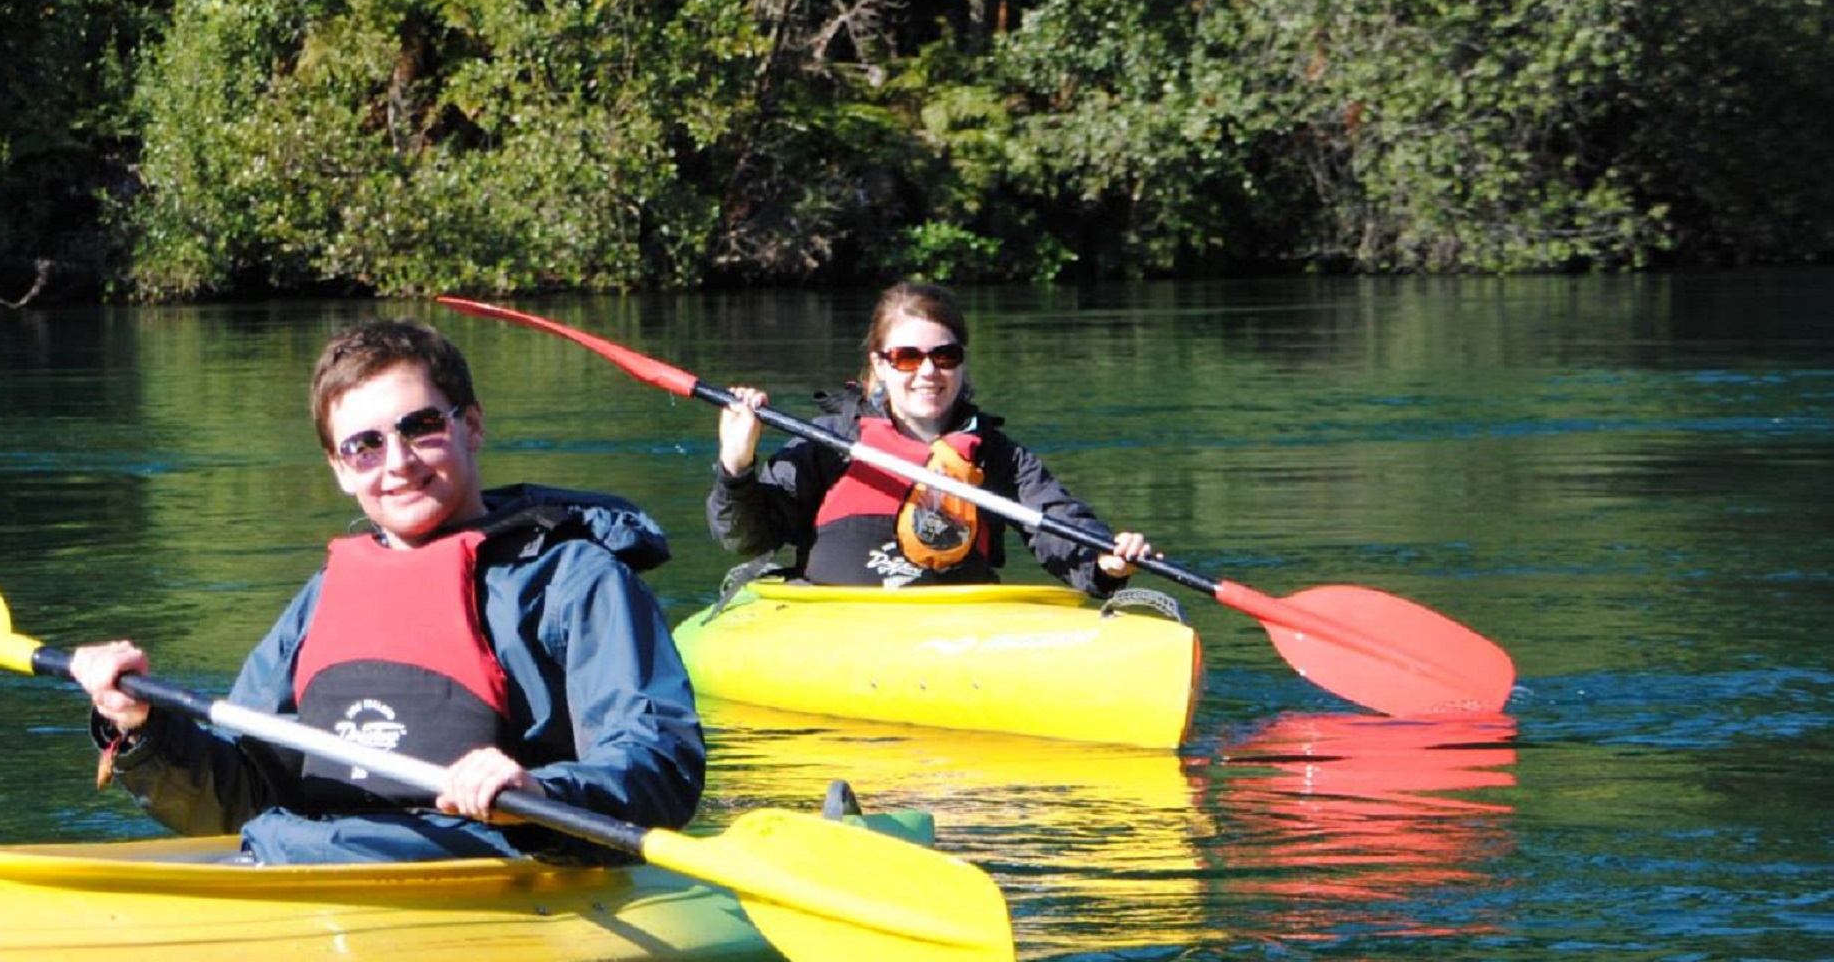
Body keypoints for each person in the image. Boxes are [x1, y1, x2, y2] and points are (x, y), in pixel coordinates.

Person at [68, 318, 706, 865]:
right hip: (298, 857)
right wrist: (145, 727)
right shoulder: (323, 598)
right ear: (341, 470)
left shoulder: (574, 580)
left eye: (422, 426)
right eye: (365, 446)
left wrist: (539, 791)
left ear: (472, 425)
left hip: (488, 874)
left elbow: (659, 759)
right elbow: (242, 793)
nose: (398, 462)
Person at [707, 278, 1154, 593]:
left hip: (954, 630)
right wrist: (737, 464)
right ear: (880, 364)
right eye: (906, 357)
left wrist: (1105, 562)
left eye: (944, 356)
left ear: (961, 361)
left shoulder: (997, 456)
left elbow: (1059, 523)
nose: (927, 372)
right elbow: (746, 538)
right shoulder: (828, 442)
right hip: (839, 626)